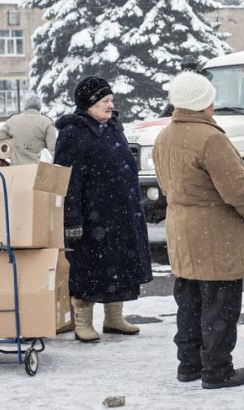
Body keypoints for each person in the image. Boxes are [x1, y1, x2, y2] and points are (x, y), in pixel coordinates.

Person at [153, 71, 244, 389]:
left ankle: (189, 365)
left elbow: (165, 185)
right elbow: (238, 191)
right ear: (205, 103)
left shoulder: (164, 137)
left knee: (188, 304)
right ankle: (217, 370)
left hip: (182, 233)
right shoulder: (211, 139)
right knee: (219, 306)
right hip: (216, 237)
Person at [53, 76, 152, 343]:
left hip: (119, 214)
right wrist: (72, 220)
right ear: (89, 104)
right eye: (105, 101)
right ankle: (83, 321)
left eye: (111, 101)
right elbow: (67, 182)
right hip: (92, 217)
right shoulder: (73, 132)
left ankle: (114, 318)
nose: (111, 106)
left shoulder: (112, 127)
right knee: (88, 269)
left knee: (118, 266)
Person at [0, 95, 57, 166]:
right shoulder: (47, 122)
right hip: (38, 170)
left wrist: (1, 156)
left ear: (25, 107)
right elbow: (52, 149)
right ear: (39, 107)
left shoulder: (13, 120)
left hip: (16, 169)